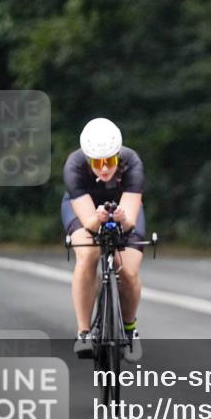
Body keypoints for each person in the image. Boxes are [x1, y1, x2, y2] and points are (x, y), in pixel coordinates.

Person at [62, 118, 146, 362]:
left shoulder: (132, 162)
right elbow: (88, 223)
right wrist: (96, 219)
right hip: (85, 209)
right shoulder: (74, 165)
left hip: (122, 207)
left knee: (128, 271)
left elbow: (130, 221)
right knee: (87, 254)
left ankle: (130, 330)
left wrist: (121, 218)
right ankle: (84, 332)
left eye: (110, 161)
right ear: (88, 158)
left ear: (118, 155)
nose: (105, 168)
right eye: (98, 163)